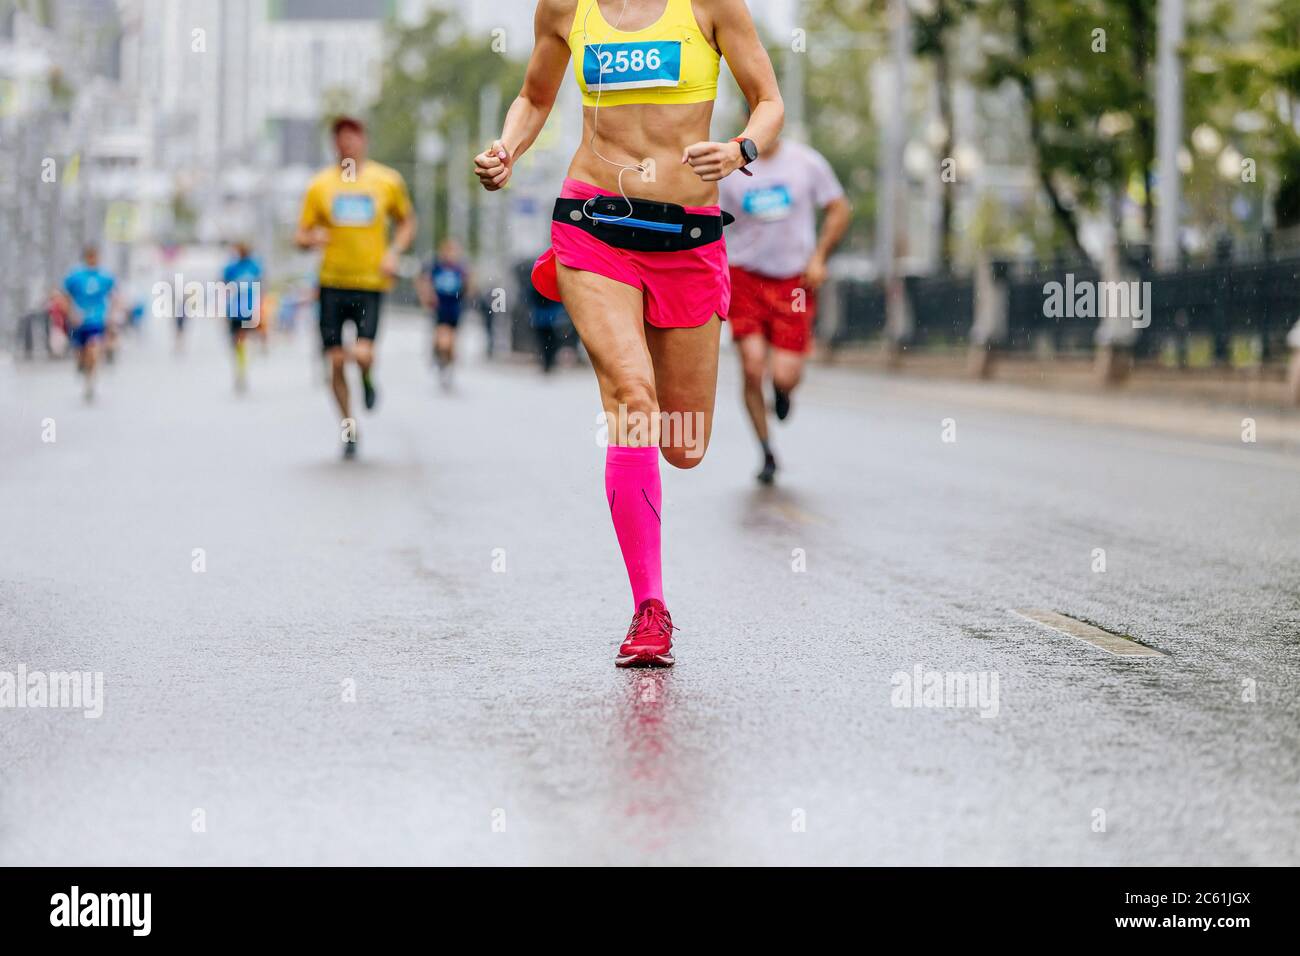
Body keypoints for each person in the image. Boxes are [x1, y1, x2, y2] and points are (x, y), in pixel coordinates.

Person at [475, 0, 782, 666]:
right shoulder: (566, 7)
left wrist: (740, 149)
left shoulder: (711, 6)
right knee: (632, 396)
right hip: (594, 224)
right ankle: (650, 608)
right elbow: (535, 96)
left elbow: (769, 103)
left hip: (688, 237)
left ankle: (650, 592)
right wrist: (506, 148)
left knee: (684, 445)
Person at [718, 135, 850, 484]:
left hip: (793, 281)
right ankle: (766, 451)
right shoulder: (730, 167)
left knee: (785, 375)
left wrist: (819, 257)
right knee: (751, 367)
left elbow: (838, 207)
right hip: (745, 278)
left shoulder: (805, 162)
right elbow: (711, 217)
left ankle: (782, 390)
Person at [295, 116, 416, 459]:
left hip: (370, 283)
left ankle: (365, 378)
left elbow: (406, 221)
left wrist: (394, 252)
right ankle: (349, 427)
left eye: (353, 137)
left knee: (362, 354)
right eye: (341, 138)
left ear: (364, 141)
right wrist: (311, 239)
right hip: (332, 283)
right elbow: (300, 234)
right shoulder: (320, 185)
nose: (347, 143)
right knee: (335, 362)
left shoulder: (386, 181)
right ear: (334, 144)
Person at [61, 245, 118, 402]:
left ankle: (90, 382)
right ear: (86, 258)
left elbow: (114, 296)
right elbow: (65, 295)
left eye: (95, 257)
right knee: (80, 351)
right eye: (90, 256)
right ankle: (81, 364)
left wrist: (111, 316)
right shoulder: (75, 276)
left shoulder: (105, 277)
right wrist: (71, 312)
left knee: (94, 349)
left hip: (97, 320)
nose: (93, 260)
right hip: (79, 321)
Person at [416, 237, 470, 390]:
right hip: (440, 308)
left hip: (455, 308)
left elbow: (468, 286)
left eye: (455, 251)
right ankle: (438, 356)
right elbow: (423, 281)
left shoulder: (460, 269)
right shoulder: (436, 267)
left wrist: (466, 296)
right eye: (449, 251)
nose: (452, 254)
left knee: (451, 342)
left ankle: (448, 364)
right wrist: (427, 297)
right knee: (442, 339)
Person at [222, 241, 263, 392]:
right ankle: (240, 365)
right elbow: (224, 285)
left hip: (248, 309)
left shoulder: (254, 265)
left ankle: (242, 367)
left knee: (242, 338)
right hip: (233, 309)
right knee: (236, 341)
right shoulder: (231, 267)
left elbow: (261, 283)